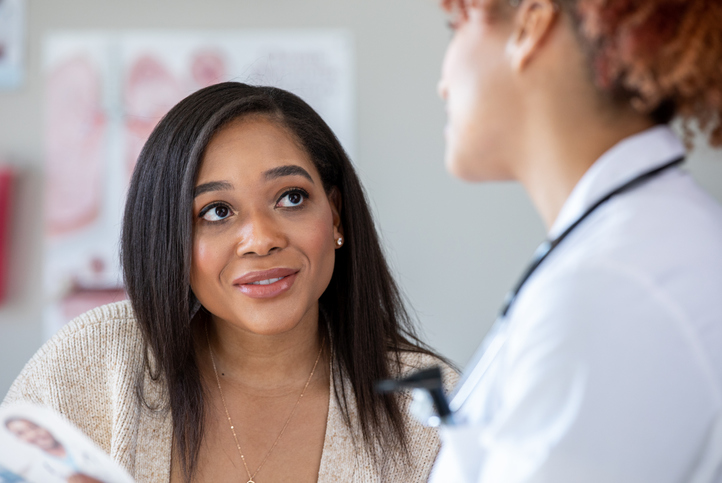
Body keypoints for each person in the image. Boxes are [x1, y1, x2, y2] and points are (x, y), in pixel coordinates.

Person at [3, 83, 457, 482]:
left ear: (335, 214)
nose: (261, 239)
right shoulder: (92, 363)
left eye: (290, 197)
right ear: (170, 238)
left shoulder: (432, 414)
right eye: (217, 211)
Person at [428, 0, 722, 482]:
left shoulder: (615, 288)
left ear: (532, 23)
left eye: (455, 26)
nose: (442, 82)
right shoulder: (633, 250)